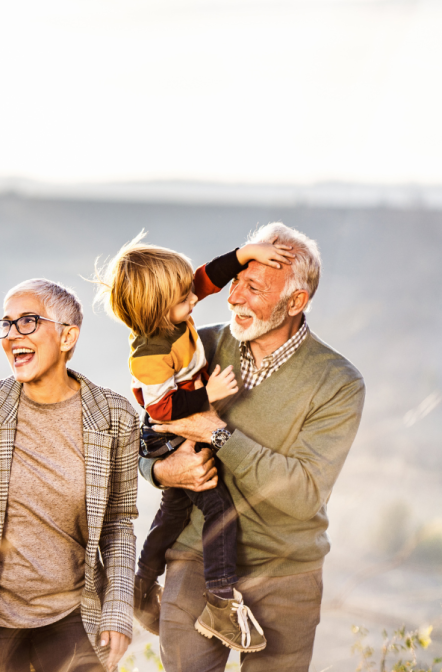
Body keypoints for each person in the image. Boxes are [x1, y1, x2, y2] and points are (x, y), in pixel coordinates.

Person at [140, 223, 366, 671]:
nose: (234, 297)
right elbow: (144, 438)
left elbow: (303, 496)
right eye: (237, 281)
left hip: (288, 573)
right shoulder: (199, 345)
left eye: (253, 287)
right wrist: (164, 472)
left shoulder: (338, 382)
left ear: (296, 301)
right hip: (195, 558)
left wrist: (217, 433)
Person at [95, 233, 293, 651]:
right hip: (166, 434)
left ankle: (138, 584)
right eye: (184, 298)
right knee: (218, 507)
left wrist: (245, 255)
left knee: (173, 511)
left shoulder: (173, 314)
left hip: (179, 422)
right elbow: (164, 410)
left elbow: (206, 278)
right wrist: (209, 395)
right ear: (157, 309)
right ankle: (220, 600)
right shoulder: (148, 353)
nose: (195, 299)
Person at [0, 278, 139, 672]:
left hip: (71, 614)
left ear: (68, 336)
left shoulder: (115, 417)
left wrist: (118, 608)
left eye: (28, 322)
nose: (12, 335)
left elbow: (118, 521)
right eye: (6, 324)